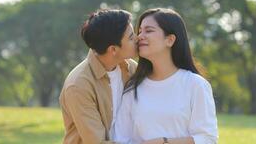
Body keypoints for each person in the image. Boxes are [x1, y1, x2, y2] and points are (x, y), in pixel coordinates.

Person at [114, 8, 218, 144]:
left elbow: (207, 139)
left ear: (170, 40)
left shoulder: (195, 85)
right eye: (139, 31)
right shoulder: (132, 89)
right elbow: (120, 139)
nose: (139, 36)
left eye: (149, 30)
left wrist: (164, 142)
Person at [59, 9, 138, 144]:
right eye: (131, 37)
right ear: (113, 49)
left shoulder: (131, 69)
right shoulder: (79, 85)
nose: (137, 39)